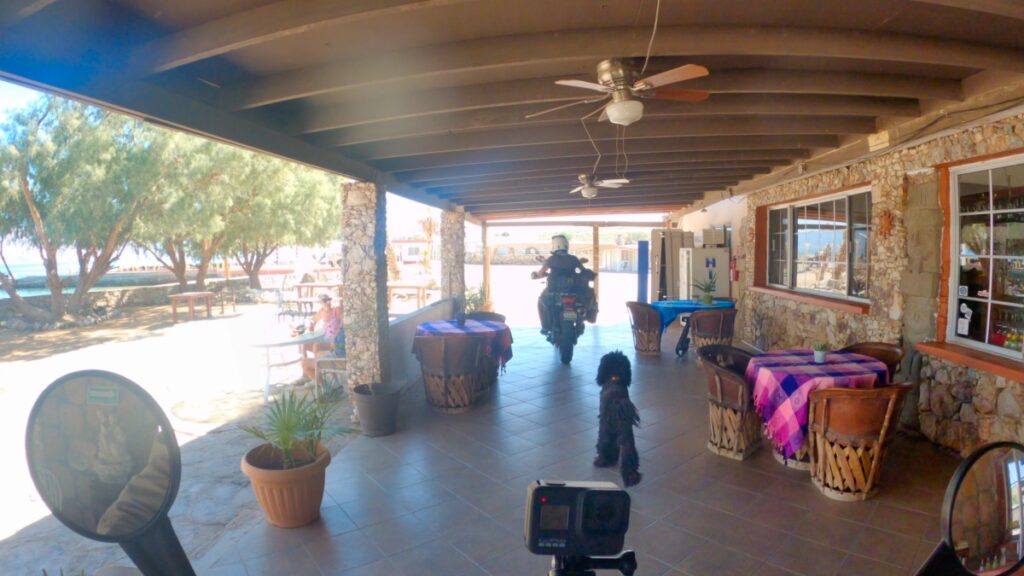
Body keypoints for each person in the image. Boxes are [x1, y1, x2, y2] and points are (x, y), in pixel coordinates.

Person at [530, 234, 597, 333]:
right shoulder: (574, 259)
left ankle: (545, 327)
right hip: (573, 289)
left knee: (541, 301)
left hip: (554, 289)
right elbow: (582, 271)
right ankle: (582, 321)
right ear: (566, 245)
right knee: (587, 297)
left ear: (554, 246)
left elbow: (540, 273)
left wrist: (536, 275)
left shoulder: (551, 259)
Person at [299, 294, 343, 383]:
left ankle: (319, 368)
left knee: (316, 346)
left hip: (333, 340)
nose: (327, 302)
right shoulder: (321, 312)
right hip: (325, 338)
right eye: (325, 301)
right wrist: (311, 325)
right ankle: (306, 374)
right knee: (304, 345)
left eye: (328, 300)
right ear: (321, 303)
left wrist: (339, 330)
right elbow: (313, 320)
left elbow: (343, 319)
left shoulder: (336, 310)